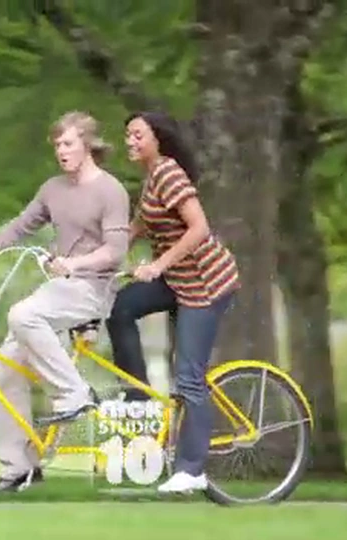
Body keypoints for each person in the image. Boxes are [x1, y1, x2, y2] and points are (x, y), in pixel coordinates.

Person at [0, 111, 130, 494]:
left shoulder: (111, 190)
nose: (61, 151)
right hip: (60, 289)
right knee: (5, 368)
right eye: (57, 146)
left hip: (92, 289)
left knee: (22, 314)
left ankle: (74, 393)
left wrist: (75, 264)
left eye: (68, 144)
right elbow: (19, 227)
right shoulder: (53, 189)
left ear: (87, 144)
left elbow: (116, 251)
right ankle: (19, 468)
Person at [106, 110, 240, 494]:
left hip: (206, 285)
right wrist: (94, 261)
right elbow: (136, 228)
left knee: (189, 377)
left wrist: (158, 265)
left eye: (137, 135)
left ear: (158, 138)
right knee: (118, 308)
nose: (130, 142)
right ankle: (138, 397)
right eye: (127, 135)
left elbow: (199, 228)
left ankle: (191, 469)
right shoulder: (152, 178)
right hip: (179, 282)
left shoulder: (168, 173)